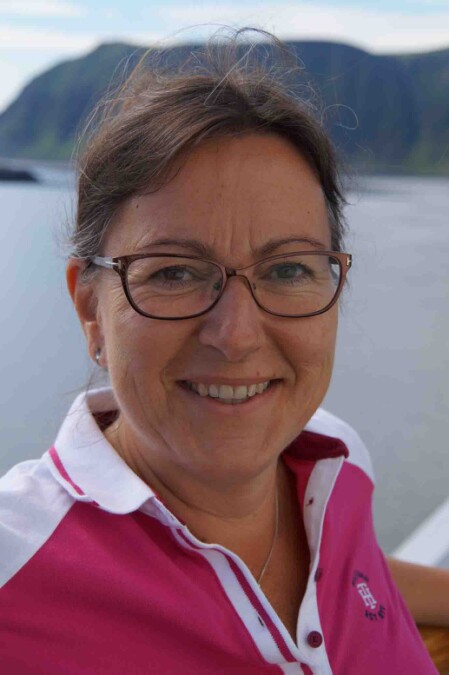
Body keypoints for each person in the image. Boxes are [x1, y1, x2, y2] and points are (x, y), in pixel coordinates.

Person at [0, 28, 447, 674]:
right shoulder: (16, 572)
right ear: (91, 308)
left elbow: (353, 571)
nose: (235, 334)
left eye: (287, 269)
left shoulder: (334, 462)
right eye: (174, 272)